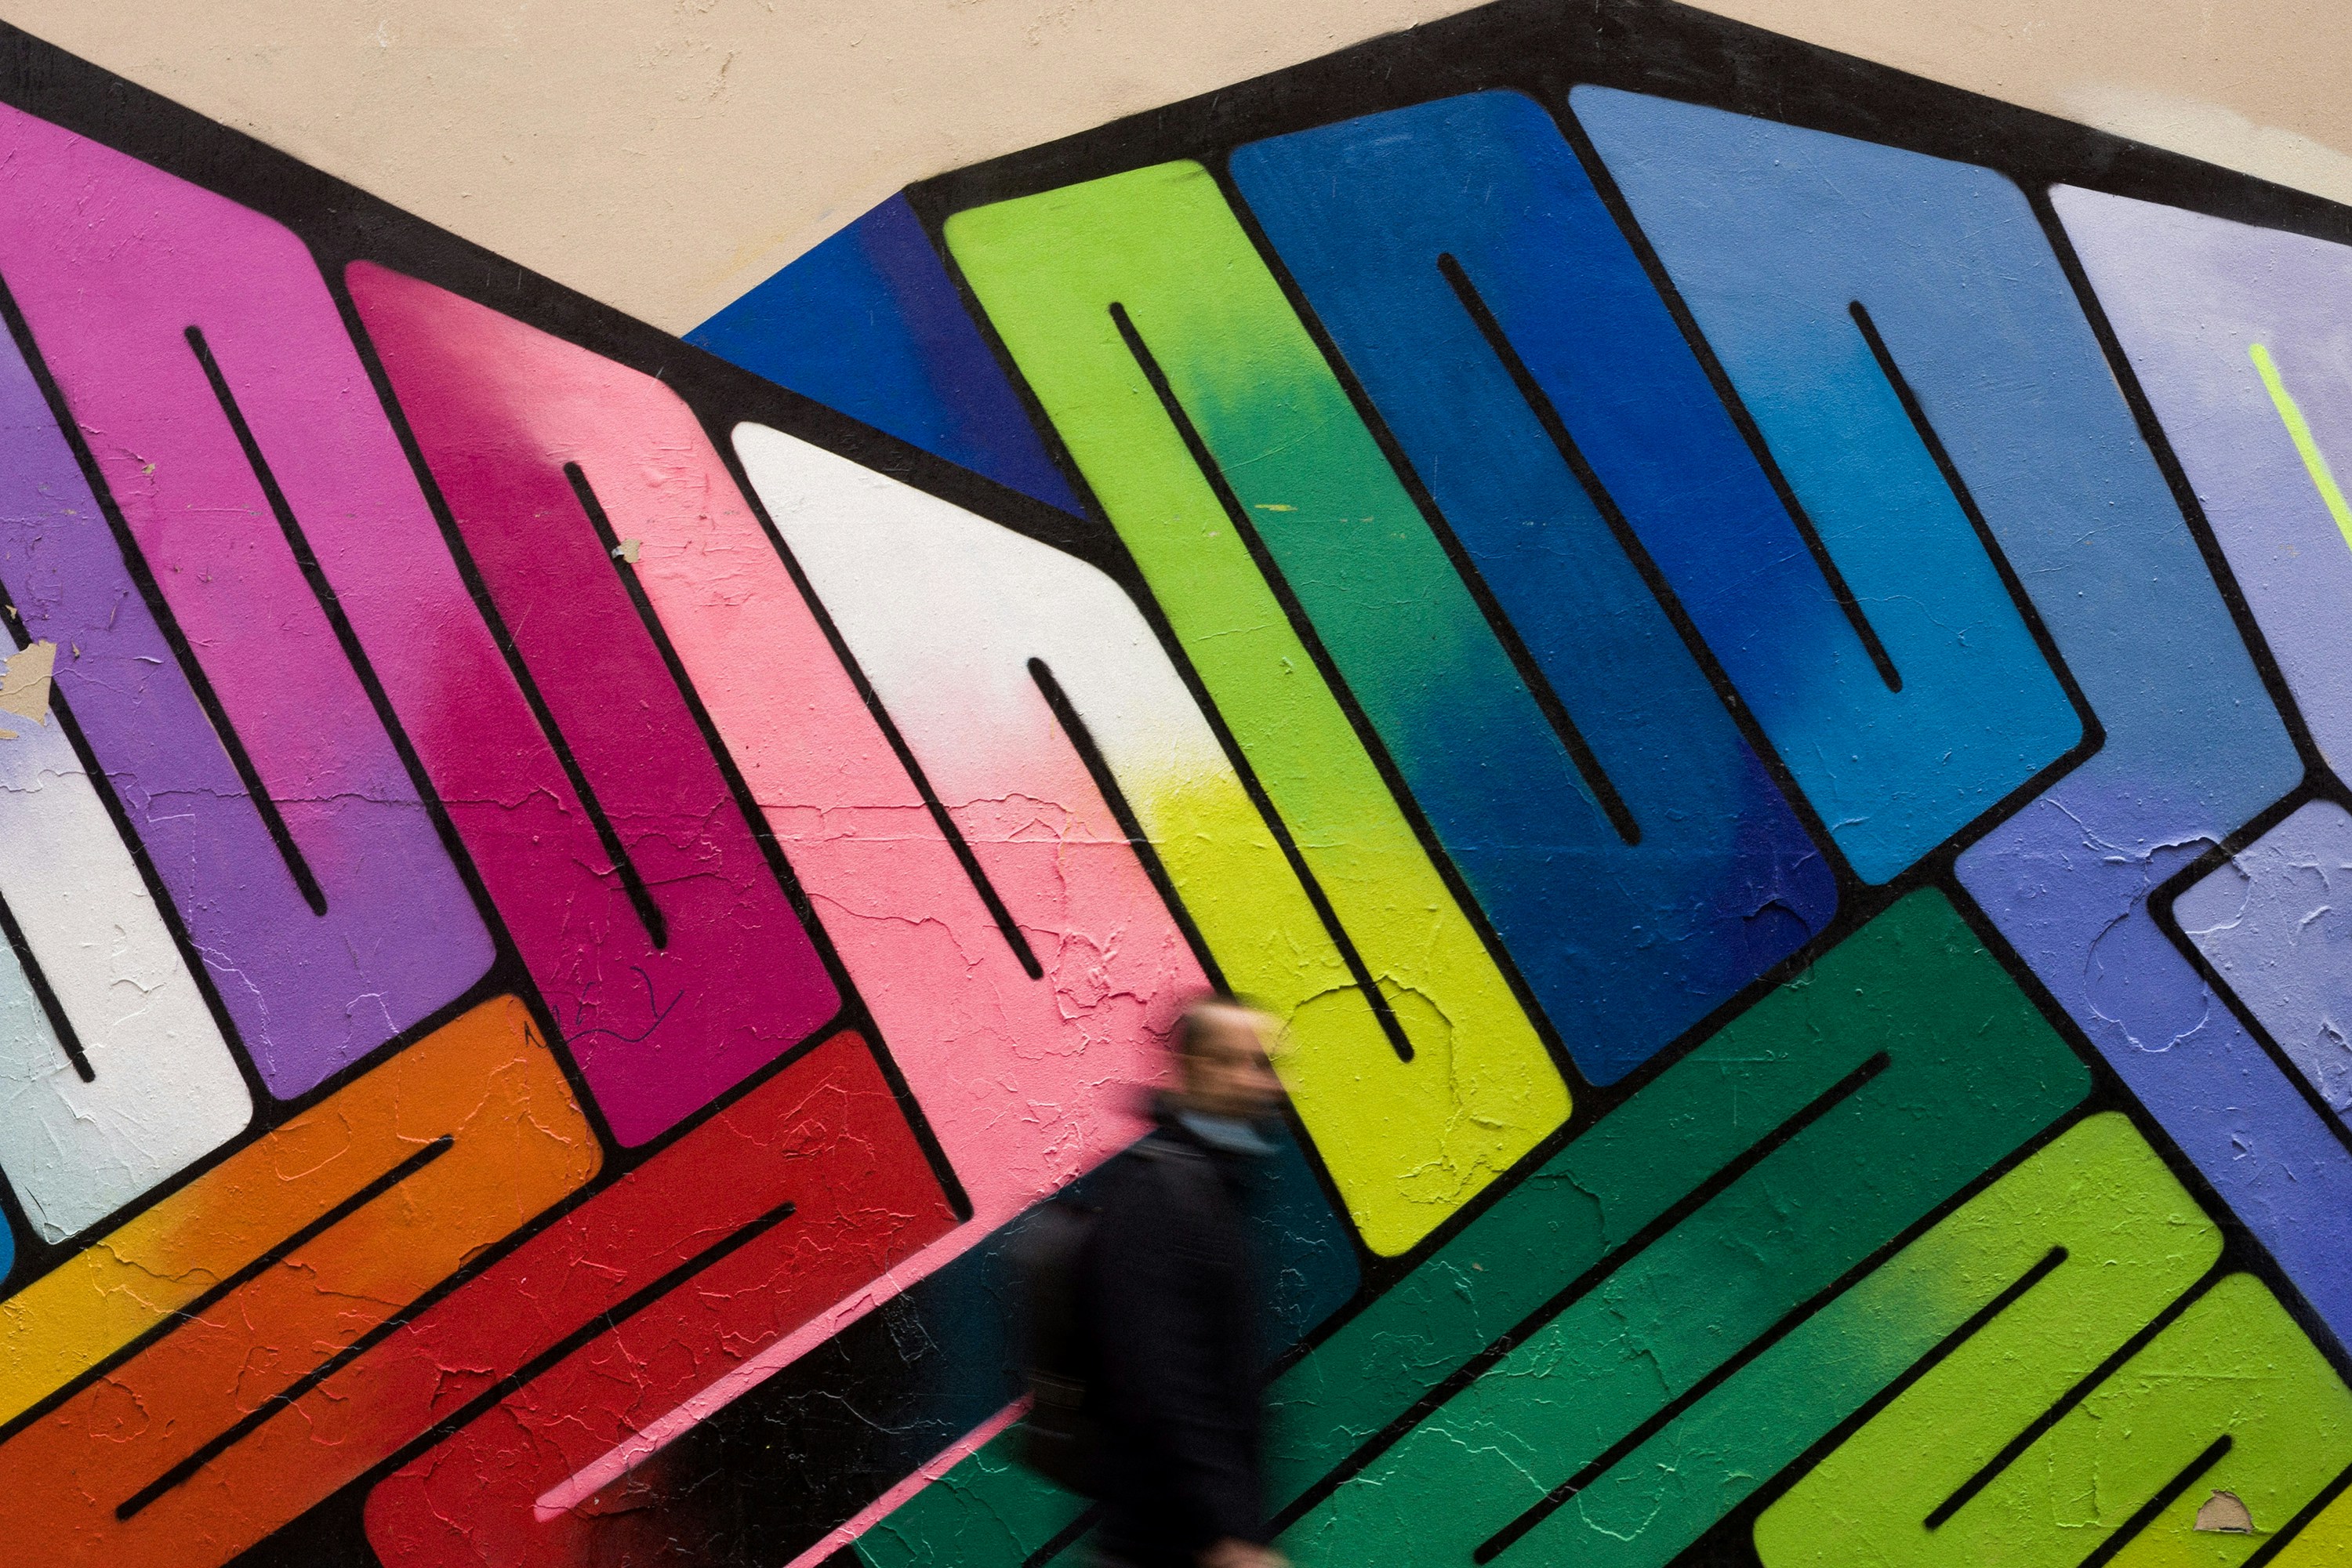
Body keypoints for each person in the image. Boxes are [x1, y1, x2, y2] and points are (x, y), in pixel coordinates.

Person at [1083, 998, 1291, 1568]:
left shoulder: (1208, 1185)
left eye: (1270, 1063)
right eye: (1247, 1063)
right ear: (1197, 1068)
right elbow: (1166, 1380)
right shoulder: (1160, 1194)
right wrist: (1228, 1532)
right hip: (1164, 1547)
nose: (1269, 1083)